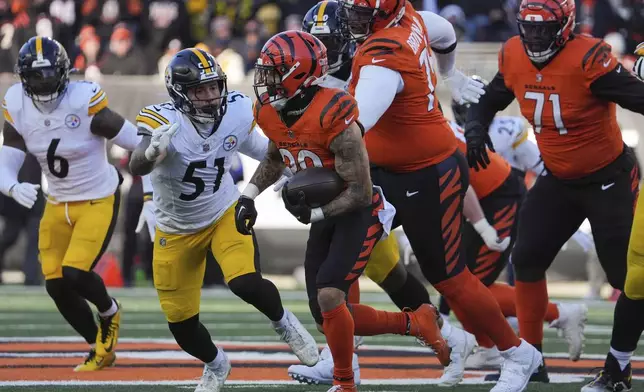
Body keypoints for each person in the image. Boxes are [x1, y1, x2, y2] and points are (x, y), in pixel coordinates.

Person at [338, 0, 542, 390]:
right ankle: (347, 361)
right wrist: (450, 75)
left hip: (425, 173)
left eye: (362, 14)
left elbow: (353, 126)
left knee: (450, 278)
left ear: (385, 15)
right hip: (388, 170)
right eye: (352, 11)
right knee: (338, 256)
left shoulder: (383, 58)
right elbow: (444, 33)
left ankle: (517, 353)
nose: (354, 21)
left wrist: (301, 155)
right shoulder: (411, 19)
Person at [236, 30, 450, 392]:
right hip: (325, 213)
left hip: (358, 212)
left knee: (331, 296)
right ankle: (417, 324)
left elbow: (361, 191)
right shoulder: (271, 111)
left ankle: (344, 382)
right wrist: (249, 195)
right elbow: (275, 155)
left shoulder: (334, 112)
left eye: (273, 72)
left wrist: (315, 215)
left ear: (299, 73)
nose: (264, 80)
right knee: (324, 315)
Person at [288, 2, 476, 386]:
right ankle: (345, 358)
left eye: (327, 41)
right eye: (314, 43)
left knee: (381, 274)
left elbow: (438, 30)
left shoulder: (373, 64)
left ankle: (447, 336)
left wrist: (451, 74)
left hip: (374, 182)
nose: (320, 52)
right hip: (356, 182)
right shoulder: (318, 77)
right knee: (343, 277)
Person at [464, 0, 644, 388]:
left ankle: (620, 365)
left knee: (625, 278)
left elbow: (639, 98)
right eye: (528, 28)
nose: (535, 36)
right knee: (527, 257)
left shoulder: (589, 57)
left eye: (544, 28)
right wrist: (477, 126)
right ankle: (531, 357)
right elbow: (491, 98)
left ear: (565, 26)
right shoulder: (513, 52)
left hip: (608, 177)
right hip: (559, 178)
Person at [128, 47, 319, 392]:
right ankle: (216, 364)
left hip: (222, 211)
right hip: (175, 228)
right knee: (181, 326)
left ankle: (284, 322)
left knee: (244, 281)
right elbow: (137, 163)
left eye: (214, 86)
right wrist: (152, 153)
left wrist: (294, 168)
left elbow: (262, 149)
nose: (210, 96)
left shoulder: (236, 109)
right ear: (179, 93)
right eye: (200, 90)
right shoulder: (162, 120)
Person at [0, 36, 154, 371]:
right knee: (56, 284)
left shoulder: (83, 100)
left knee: (75, 272)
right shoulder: (16, 103)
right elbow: (8, 155)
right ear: (24, 79)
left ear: (64, 73)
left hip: (98, 197)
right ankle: (99, 346)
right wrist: (11, 186)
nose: (42, 86)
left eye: (48, 76)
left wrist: (153, 184)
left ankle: (110, 311)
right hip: (57, 202)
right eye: (35, 78)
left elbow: (137, 142)